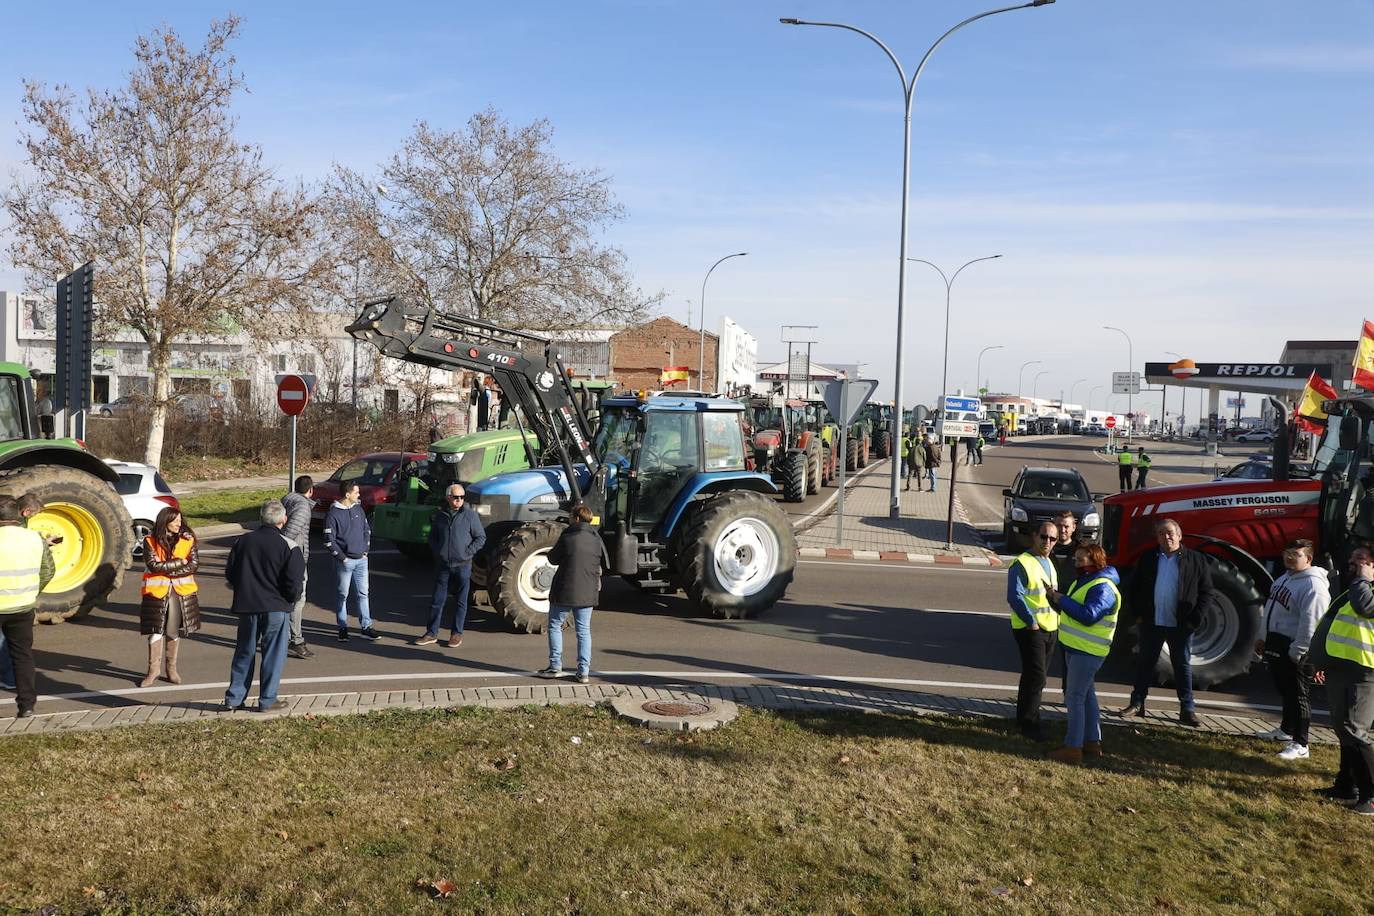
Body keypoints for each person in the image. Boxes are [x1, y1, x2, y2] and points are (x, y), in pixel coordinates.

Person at [1118, 518, 1214, 727]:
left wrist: (1194, 619)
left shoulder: (1196, 560)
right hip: (1152, 623)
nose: (1166, 536)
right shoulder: (1149, 558)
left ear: (1180, 535)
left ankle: (1187, 709)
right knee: (1145, 664)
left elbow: (1206, 592)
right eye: (1161, 533)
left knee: (1182, 667)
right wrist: (1139, 616)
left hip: (1181, 625)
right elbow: (1134, 589)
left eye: (1170, 532)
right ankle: (1136, 703)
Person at [1306, 545, 1374, 814]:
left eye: (1361, 558)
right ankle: (1346, 785)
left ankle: (1370, 795)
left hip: (1363, 672)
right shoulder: (1354, 589)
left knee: (1354, 730)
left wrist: (1363, 580)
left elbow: (1367, 608)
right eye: (1352, 557)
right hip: (1342, 668)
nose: (1353, 562)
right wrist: (1323, 662)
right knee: (1343, 729)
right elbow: (1336, 628)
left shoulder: (1362, 590)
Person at [223, 500, 306, 712]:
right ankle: (267, 700)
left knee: (244, 652)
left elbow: (231, 573)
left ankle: (234, 698)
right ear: (283, 520)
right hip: (276, 607)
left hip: (247, 606)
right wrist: (289, 601)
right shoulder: (289, 546)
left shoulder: (242, 542)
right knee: (273, 655)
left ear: (261, 518)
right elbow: (294, 582)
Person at [1046, 543, 1121, 764]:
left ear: (1095, 561)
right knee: (1086, 696)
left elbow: (1088, 615)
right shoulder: (1087, 581)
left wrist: (1062, 599)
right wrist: (1056, 599)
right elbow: (1074, 611)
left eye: (1081, 560)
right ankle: (1091, 742)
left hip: (1087, 652)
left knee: (1075, 697)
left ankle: (1073, 748)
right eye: (1076, 559)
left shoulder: (1103, 587)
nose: (1076, 564)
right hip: (1077, 649)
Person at [1254, 539, 1327, 759]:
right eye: (1287, 552)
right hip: (1278, 643)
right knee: (1286, 691)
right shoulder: (1283, 579)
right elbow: (1269, 611)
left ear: (1309, 558)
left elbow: (1312, 622)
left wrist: (1299, 650)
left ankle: (1302, 743)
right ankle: (1286, 731)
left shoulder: (1314, 585)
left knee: (1299, 696)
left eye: (1296, 554)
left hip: (1297, 649)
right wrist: (1261, 637)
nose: (1289, 557)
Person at [537, 503, 607, 684]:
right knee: (583, 631)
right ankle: (583, 672)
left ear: (576, 518)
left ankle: (555, 666)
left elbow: (553, 558)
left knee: (554, 626)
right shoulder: (596, 539)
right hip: (587, 591)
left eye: (570, 516)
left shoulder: (568, 537)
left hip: (564, 590)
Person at [0, 495, 53, 717]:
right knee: (23, 656)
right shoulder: (35, 538)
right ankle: (27, 706)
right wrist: (32, 590)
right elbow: (48, 570)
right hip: (22, 606)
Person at [1008, 520, 1060, 740]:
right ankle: (1030, 726)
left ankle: (1023, 720)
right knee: (1037, 677)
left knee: (1033, 676)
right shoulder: (1022, 562)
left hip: (1050, 627)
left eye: (1052, 538)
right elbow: (1014, 596)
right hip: (1030, 628)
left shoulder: (1049, 562)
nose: (1047, 541)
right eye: (1043, 536)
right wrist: (1031, 622)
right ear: (1034, 536)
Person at [415, 484, 485, 648]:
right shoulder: (440, 516)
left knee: (461, 602)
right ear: (448, 497)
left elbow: (480, 537)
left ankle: (456, 634)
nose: (459, 500)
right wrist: (438, 551)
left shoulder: (470, 516)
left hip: (463, 566)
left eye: (462, 497)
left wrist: (467, 553)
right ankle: (431, 633)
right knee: (437, 600)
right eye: (456, 497)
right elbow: (432, 537)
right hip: (444, 566)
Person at [138, 506, 201, 688]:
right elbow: (153, 565)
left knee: (172, 630)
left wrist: (169, 567)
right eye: (175, 521)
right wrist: (180, 563)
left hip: (180, 593)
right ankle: (153, 671)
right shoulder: (150, 540)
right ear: (165, 522)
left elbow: (193, 565)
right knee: (155, 631)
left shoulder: (188, 539)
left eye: (180, 521)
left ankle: (171, 669)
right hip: (156, 593)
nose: (179, 524)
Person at [323, 480, 379, 641]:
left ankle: (366, 627)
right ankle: (342, 628)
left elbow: (366, 530)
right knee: (342, 595)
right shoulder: (333, 514)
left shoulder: (358, 509)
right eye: (356, 492)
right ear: (347, 495)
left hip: (361, 560)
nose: (359, 494)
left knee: (363, 594)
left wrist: (365, 551)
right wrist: (342, 558)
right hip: (344, 563)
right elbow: (328, 540)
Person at [280, 475, 315, 659]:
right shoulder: (302, 507)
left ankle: (287, 638)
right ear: (310, 490)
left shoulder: (287, 500)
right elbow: (289, 534)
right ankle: (296, 640)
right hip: (295, 560)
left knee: (290, 600)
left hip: (290, 559)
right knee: (298, 600)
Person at [1050, 510, 1082, 587]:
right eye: (1059, 526)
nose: (1062, 530)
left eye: (1066, 526)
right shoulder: (1046, 549)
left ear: (1074, 527)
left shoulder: (1082, 551)